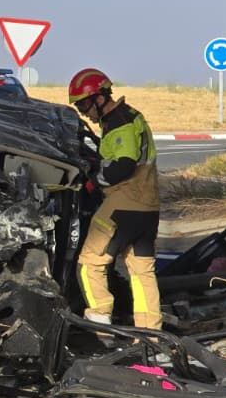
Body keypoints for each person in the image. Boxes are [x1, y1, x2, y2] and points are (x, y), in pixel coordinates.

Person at [69, 67, 162, 329]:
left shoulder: (119, 123)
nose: (83, 111)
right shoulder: (131, 117)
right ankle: (151, 336)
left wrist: (94, 178)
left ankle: (100, 329)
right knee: (142, 272)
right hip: (147, 207)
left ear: (100, 97)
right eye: (78, 107)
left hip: (123, 205)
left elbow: (123, 165)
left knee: (90, 264)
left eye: (84, 104)